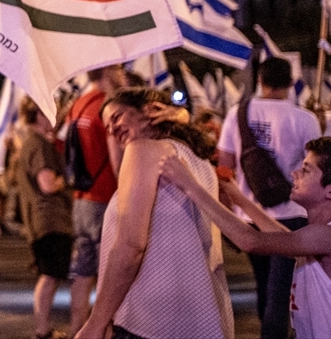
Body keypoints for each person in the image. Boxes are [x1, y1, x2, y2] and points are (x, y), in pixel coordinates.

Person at [161, 136, 331, 338]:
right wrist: (238, 197)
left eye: (306, 170)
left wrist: (188, 184)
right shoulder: (327, 235)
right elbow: (282, 236)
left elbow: (250, 240)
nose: (293, 173)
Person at [75, 87, 233, 339]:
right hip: (200, 316)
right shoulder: (197, 159)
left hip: (149, 319)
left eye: (116, 117)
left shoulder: (143, 150)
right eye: (107, 128)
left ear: (151, 110)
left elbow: (130, 246)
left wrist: (97, 321)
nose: (112, 129)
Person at [216, 56, 321, 339]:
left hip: (250, 215)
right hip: (292, 215)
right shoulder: (305, 118)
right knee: (280, 290)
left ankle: (269, 331)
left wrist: (228, 211)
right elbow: (316, 167)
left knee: (264, 284)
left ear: (259, 80)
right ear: (291, 83)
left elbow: (224, 165)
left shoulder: (237, 113)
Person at [60, 64, 123, 336]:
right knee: (109, 274)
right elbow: (117, 160)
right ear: (109, 71)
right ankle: (104, 332)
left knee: (83, 271)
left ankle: (78, 330)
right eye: (119, 68)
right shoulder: (107, 106)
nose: (122, 73)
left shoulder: (78, 105)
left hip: (81, 198)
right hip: (105, 197)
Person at [18, 98, 72, 339]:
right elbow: (48, 184)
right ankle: (42, 330)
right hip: (50, 218)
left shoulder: (35, 142)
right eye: (51, 110)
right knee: (50, 275)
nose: (56, 114)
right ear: (39, 115)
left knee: (49, 274)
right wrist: (70, 178)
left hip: (44, 218)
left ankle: (43, 329)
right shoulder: (38, 145)